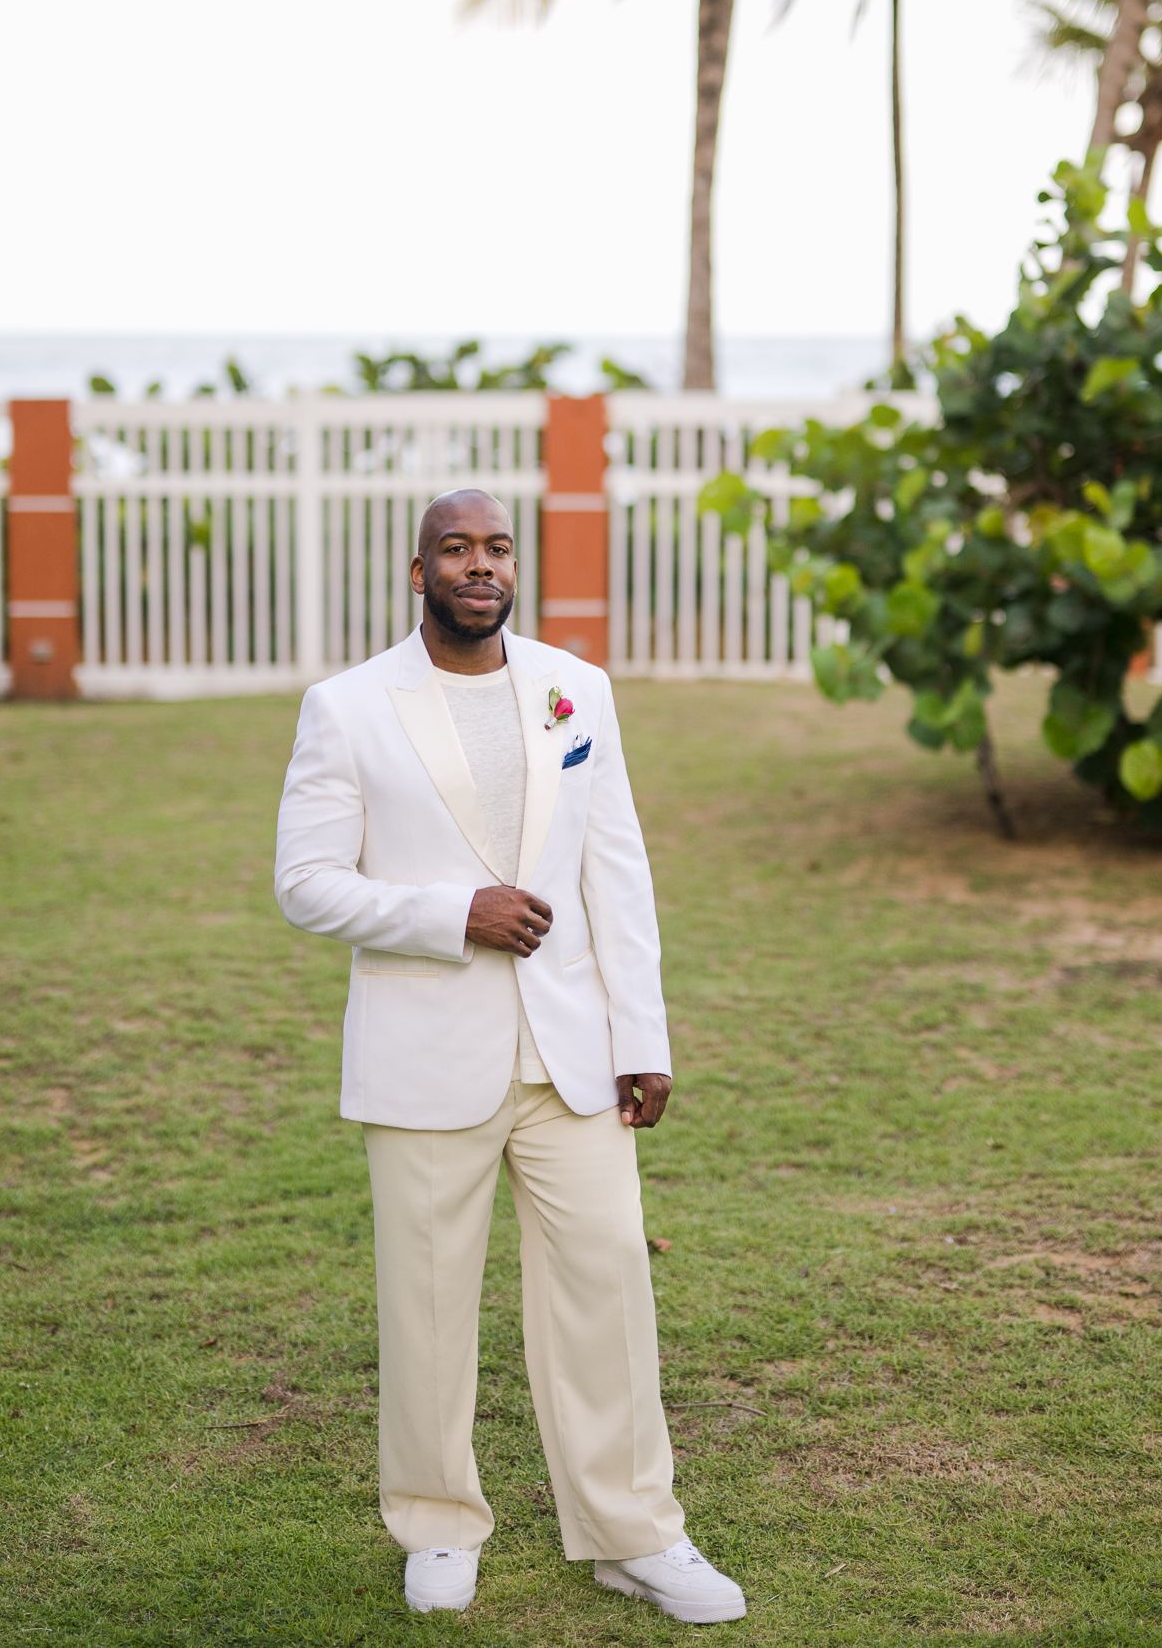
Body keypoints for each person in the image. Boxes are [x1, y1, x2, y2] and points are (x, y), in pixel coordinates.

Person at [274, 488, 746, 1623]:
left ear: (511, 566)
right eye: (456, 548)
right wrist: (453, 915)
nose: (479, 565)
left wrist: (644, 1035)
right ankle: (436, 1527)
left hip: (573, 1055)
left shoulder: (578, 691)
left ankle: (637, 1534)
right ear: (418, 570)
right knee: (428, 1304)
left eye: (495, 547)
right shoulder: (349, 708)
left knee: (608, 1287)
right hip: (426, 1055)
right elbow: (306, 883)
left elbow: (615, 874)